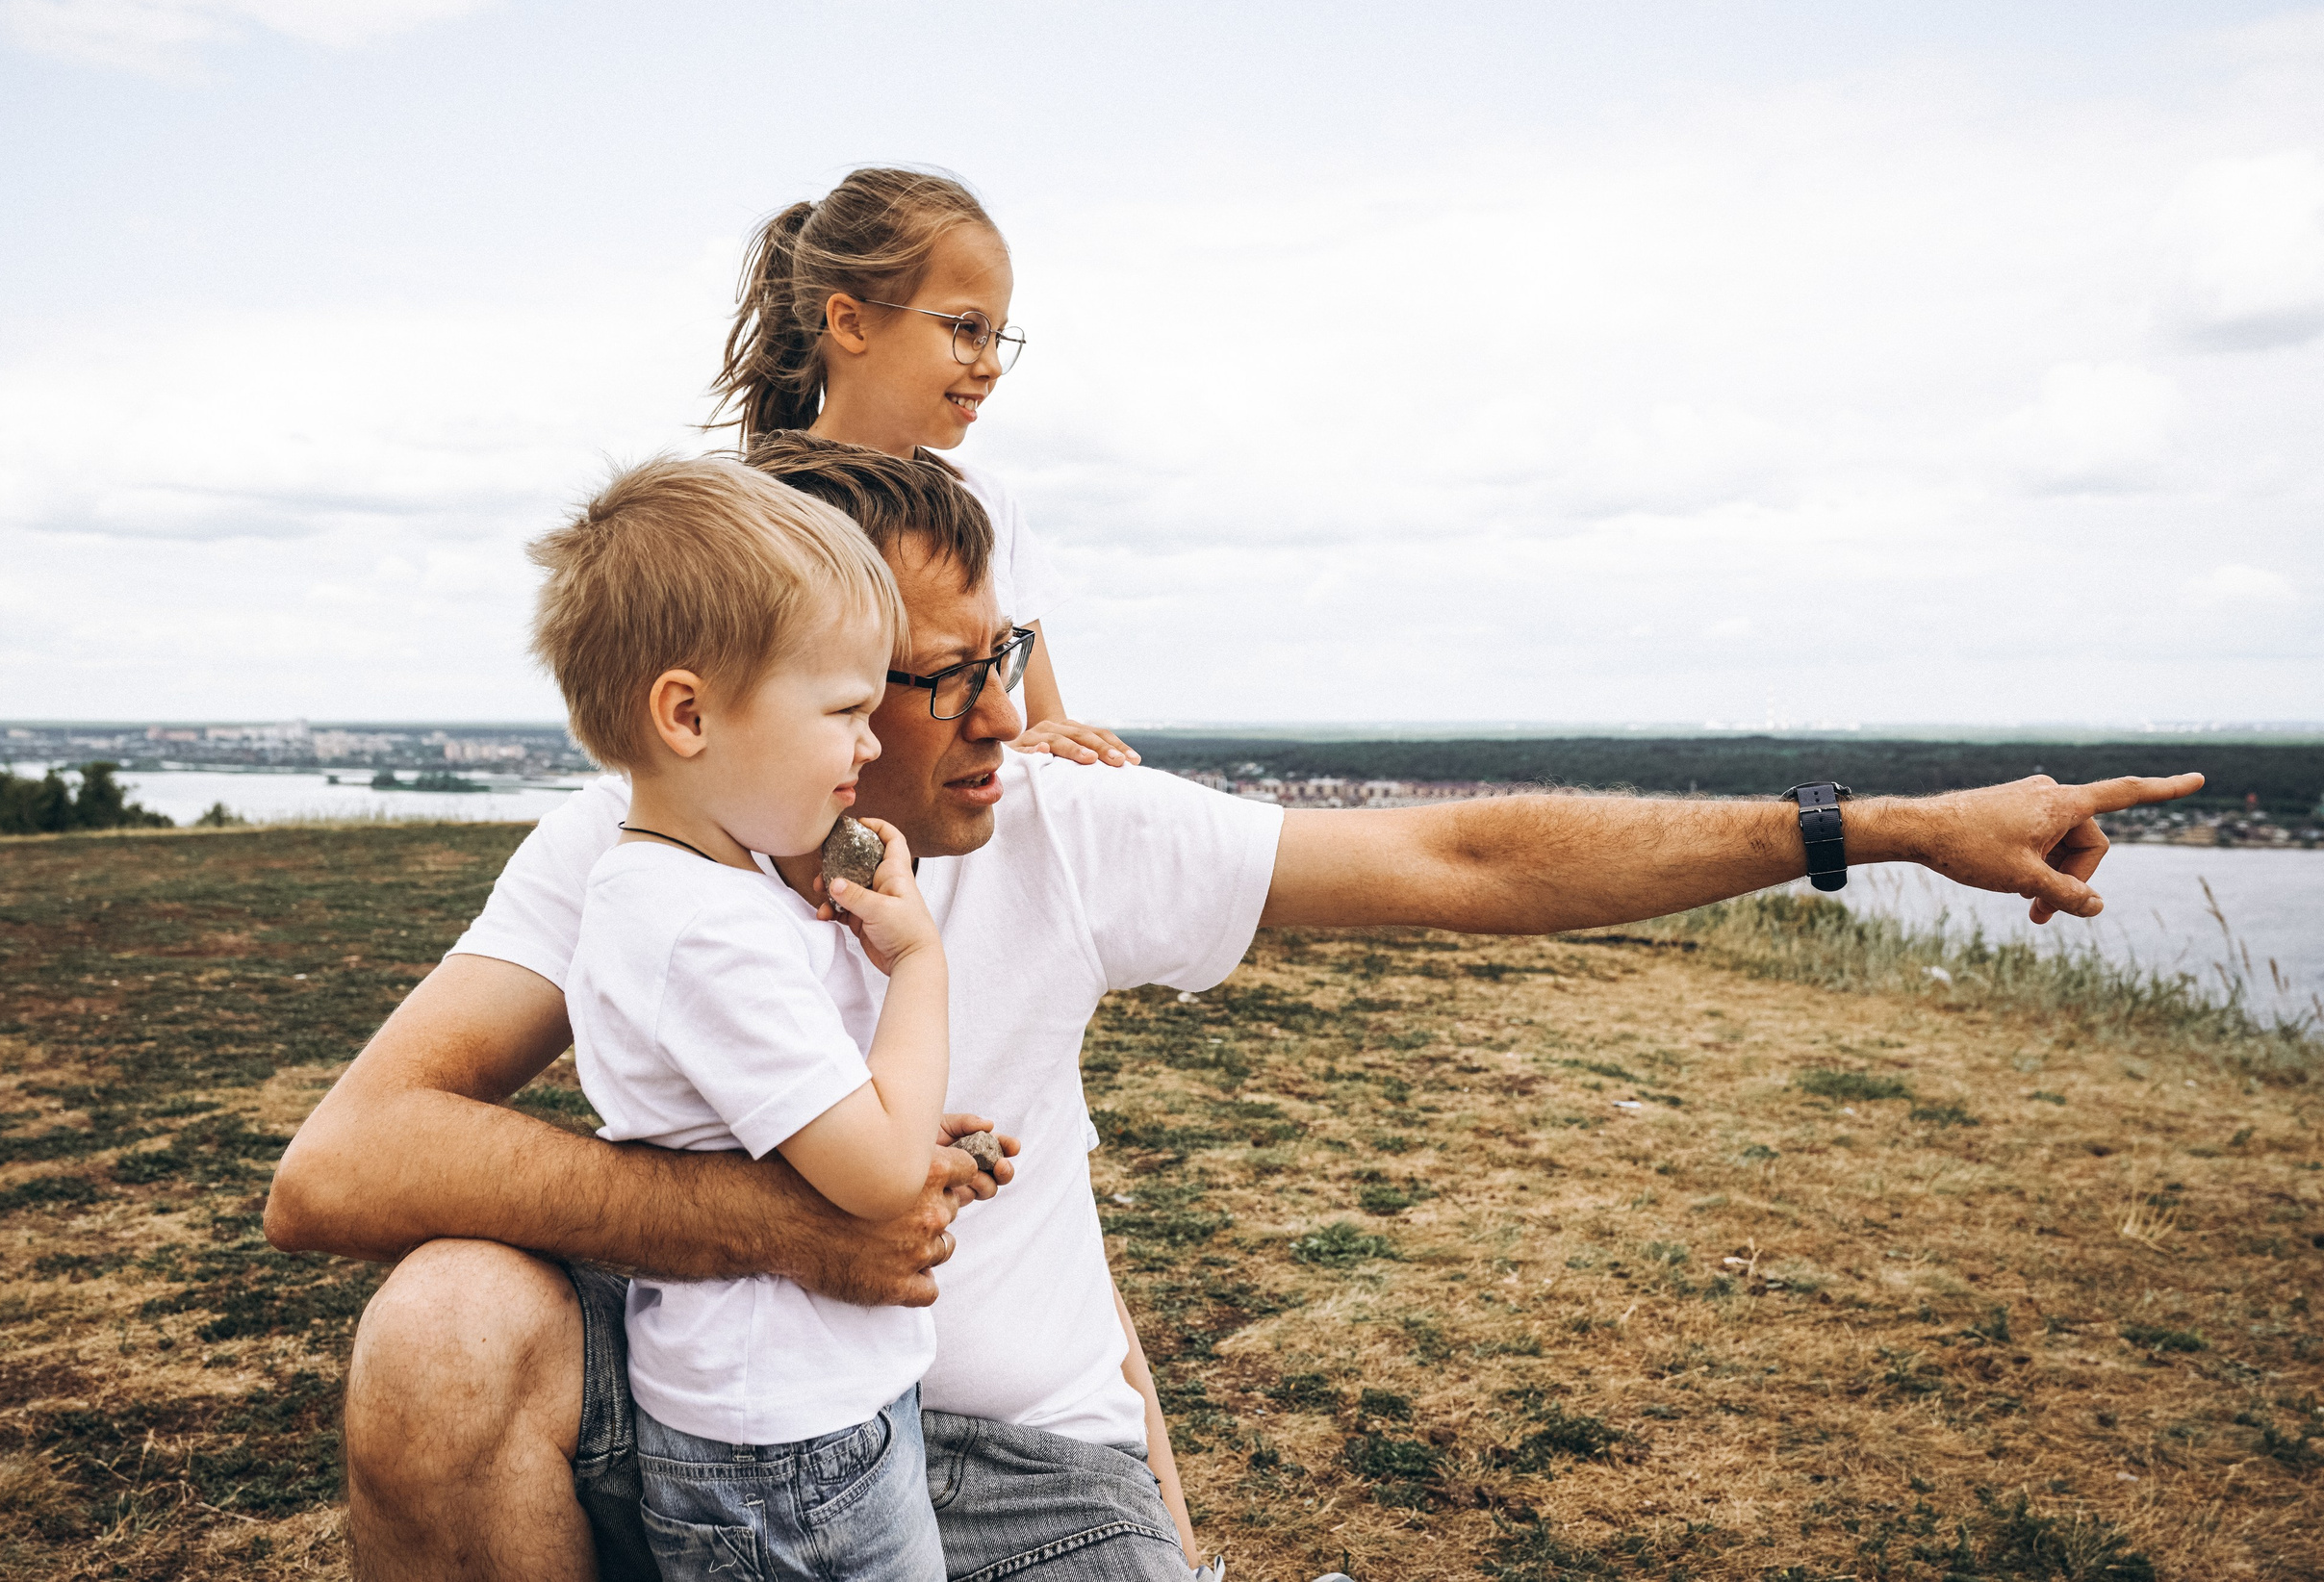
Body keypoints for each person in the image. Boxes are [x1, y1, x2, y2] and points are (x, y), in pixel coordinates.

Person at [268, 451, 2203, 1581]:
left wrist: (1873, 827)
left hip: (1020, 1462)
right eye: (930, 680)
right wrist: (775, 1225)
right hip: (728, 1425)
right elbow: (342, 1163)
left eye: (1008, 652)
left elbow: (1463, 855)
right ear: (772, 684)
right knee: (441, 1328)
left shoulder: (1060, 825)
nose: (1006, 715)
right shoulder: (636, 854)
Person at [534, 456, 984, 1578]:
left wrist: (904, 1128)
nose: (869, 742)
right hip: (788, 1454)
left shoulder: (702, 894)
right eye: (843, 710)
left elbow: (777, 1126)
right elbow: (874, 1177)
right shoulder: (702, 928)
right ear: (688, 715)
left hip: (798, 1419)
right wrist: (918, 962)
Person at [709, 165, 1141, 773]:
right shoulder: (755, 516)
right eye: (967, 329)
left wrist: (1053, 747)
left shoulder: (987, 503)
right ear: (851, 322)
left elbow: (1039, 726)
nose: (991, 365)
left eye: (998, 337)